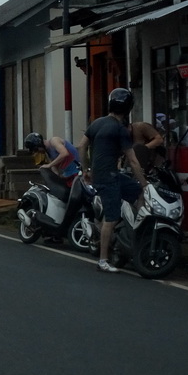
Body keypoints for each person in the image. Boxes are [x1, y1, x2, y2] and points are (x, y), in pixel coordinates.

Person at [77, 88, 148, 274]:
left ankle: (130, 237)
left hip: (104, 175)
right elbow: (132, 160)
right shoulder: (120, 129)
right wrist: (146, 183)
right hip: (109, 178)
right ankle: (103, 260)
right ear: (128, 108)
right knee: (112, 217)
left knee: (136, 191)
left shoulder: (97, 123)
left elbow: (81, 145)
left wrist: (85, 169)